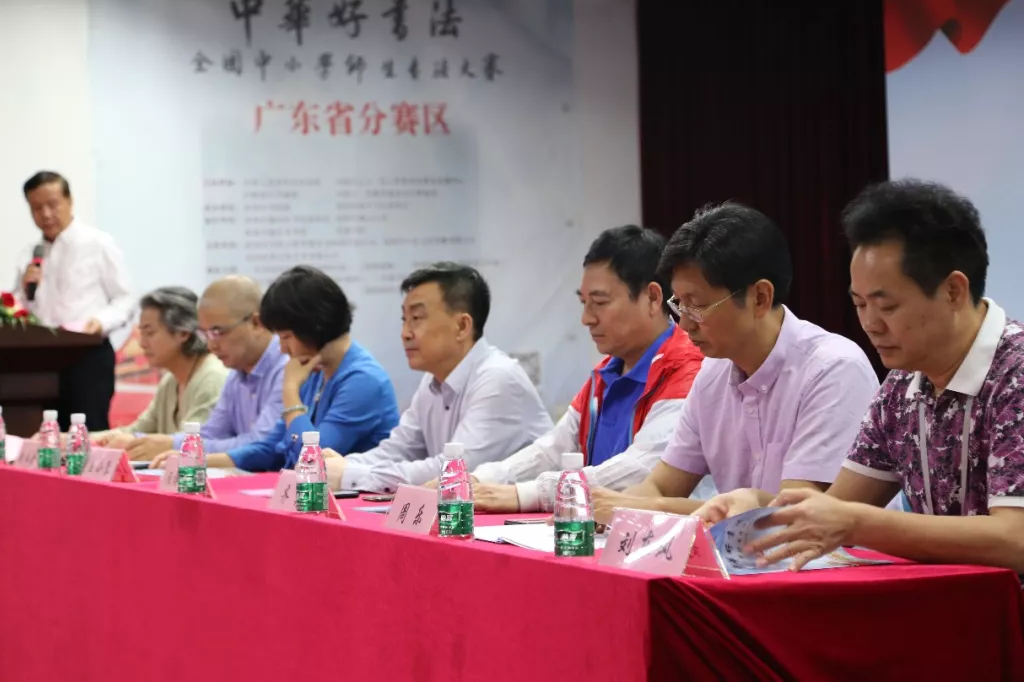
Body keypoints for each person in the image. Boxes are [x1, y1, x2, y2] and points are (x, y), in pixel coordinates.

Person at [702, 180, 1024, 573]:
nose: (870, 323)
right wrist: (753, 508)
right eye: (859, 304)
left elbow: (1016, 539)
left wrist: (857, 524)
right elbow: (836, 509)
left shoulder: (1015, 372)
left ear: (954, 291)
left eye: (887, 306)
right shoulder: (901, 386)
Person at [592, 203, 879, 524]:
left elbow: (794, 514)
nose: (684, 324)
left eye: (696, 305)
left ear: (760, 297)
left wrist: (642, 507)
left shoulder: (833, 370)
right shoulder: (711, 374)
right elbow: (660, 486)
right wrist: (615, 505)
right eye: (679, 304)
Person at [469, 226, 705, 513]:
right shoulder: (605, 373)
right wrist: (480, 479)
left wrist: (527, 494)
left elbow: (641, 470)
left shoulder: (690, 369)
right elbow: (553, 450)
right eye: (584, 303)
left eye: (600, 303)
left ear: (653, 298)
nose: (586, 319)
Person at [323, 262, 554, 493]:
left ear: (462, 326)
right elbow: (398, 449)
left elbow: (453, 472)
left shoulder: (498, 378)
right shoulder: (432, 380)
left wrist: (349, 475)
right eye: (404, 320)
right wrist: (340, 466)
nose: (405, 333)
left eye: (417, 318)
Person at [154, 265, 399, 471]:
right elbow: (271, 447)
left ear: (314, 326)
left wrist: (290, 391)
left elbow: (311, 459)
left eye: (286, 337)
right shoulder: (314, 370)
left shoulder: (362, 380)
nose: (282, 349)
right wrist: (200, 460)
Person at [16, 171, 134, 431]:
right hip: (43, 359)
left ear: (69, 201)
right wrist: (24, 290)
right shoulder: (30, 254)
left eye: (52, 204)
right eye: (37, 208)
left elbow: (124, 299)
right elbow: (21, 308)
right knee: (48, 434)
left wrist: (100, 321)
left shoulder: (98, 243)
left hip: (87, 355)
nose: (46, 214)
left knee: (88, 432)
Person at [125, 276, 287, 461]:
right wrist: (146, 442)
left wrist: (174, 445)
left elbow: (262, 444)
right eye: (205, 334)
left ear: (256, 323)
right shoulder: (235, 375)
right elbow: (212, 434)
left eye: (218, 332)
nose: (211, 345)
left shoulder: (286, 368)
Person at [93, 287, 228, 447]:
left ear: (183, 333)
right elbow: (136, 430)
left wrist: (133, 441)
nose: (142, 343)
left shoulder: (213, 377)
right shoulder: (171, 380)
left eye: (150, 333)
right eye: (142, 333)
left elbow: (191, 444)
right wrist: (83, 438)